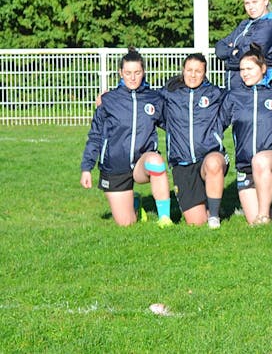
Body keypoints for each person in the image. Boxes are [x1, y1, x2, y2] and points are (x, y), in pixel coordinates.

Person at [80, 48, 172, 227]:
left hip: (141, 164)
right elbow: (95, 135)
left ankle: (165, 218)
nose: (132, 77)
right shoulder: (108, 100)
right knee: (126, 224)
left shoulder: (154, 98)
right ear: (120, 73)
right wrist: (86, 168)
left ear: (143, 72)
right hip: (114, 167)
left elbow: (173, 126)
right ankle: (135, 204)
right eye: (128, 73)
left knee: (155, 160)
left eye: (137, 72)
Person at [221, 45, 272, 225]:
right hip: (245, 166)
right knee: (252, 220)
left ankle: (264, 215)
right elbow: (217, 126)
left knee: (260, 160)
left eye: (250, 68)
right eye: (242, 69)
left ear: (263, 69)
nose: (245, 73)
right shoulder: (234, 97)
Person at [160, 53, 227, 228]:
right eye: (189, 70)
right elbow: (144, 98)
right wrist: (106, 97)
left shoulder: (215, 94)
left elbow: (242, 97)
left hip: (208, 157)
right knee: (196, 223)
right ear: (183, 70)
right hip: (182, 163)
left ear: (205, 73)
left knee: (213, 163)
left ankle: (214, 216)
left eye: (198, 71)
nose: (193, 74)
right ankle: (209, 206)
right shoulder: (169, 93)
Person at [215, 0, 272, 90]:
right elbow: (219, 47)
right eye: (247, 3)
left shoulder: (270, 25)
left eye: (255, 2)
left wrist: (229, 57)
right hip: (235, 86)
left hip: (257, 87)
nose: (251, 7)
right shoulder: (245, 24)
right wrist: (232, 52)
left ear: (265, 1)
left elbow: (249, 56)